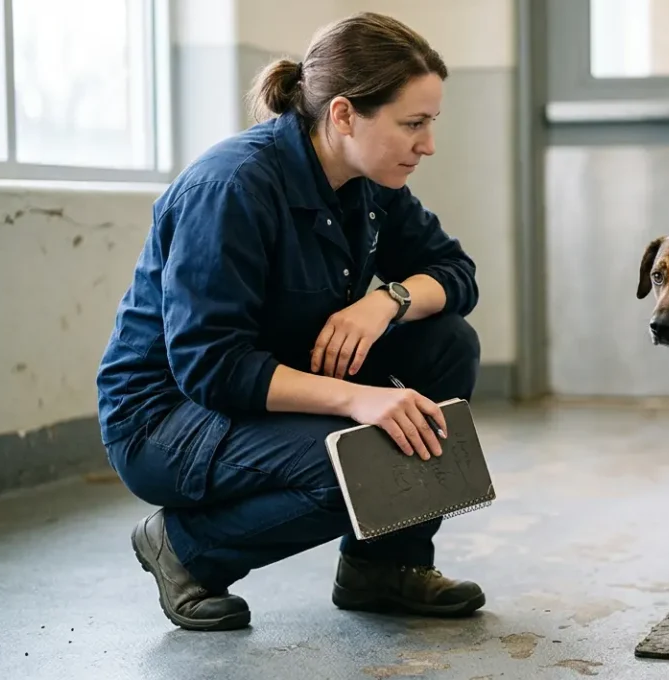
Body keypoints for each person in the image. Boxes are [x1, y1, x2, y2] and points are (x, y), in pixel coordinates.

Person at [95, 12, 485, 632]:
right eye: (412, 124)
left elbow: (455, 272)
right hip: (167, 416)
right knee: (369, 469)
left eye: (430, 123)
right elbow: (210, 366)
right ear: (342, 114)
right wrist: (357, 399)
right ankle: (185, 547)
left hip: (269, 388)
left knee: (446, 344)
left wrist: (384, 302)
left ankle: (383, 566)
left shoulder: (368, 180)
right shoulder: (231, 188)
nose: (427, 144)